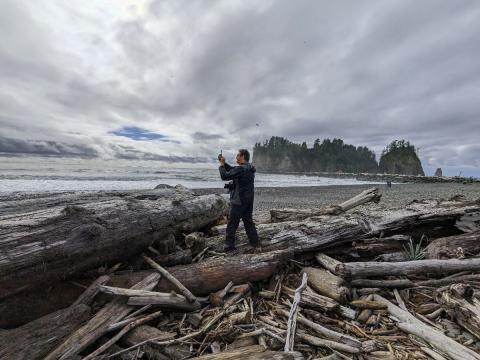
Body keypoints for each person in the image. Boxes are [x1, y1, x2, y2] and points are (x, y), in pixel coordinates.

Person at [218, 149, 260, 252]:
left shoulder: (241, 169)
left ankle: (229, 247)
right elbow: (233, 170)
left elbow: (225, 176)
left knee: (232, 223)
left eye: (237, 155)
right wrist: (224, 163)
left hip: (239, 200)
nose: (236, 157)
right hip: (248, 200)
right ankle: (255, 243)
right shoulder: (249, 167)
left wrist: (221, 165)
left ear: (242, 156)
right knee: (248, 222)